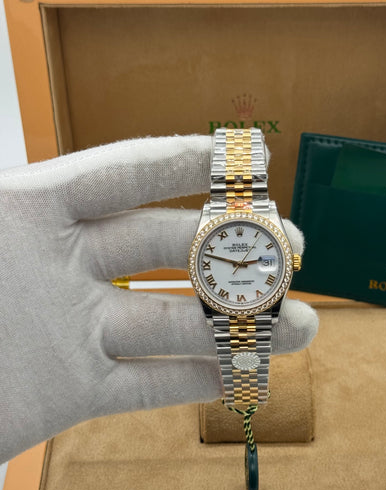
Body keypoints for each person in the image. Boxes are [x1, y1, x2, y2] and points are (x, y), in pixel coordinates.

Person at [0, 135, 318, 464]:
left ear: (288, 263)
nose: (239, 267)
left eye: (244, 264)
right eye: (232, 264)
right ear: (197, 262)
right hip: (234, 302)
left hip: (246, 303)